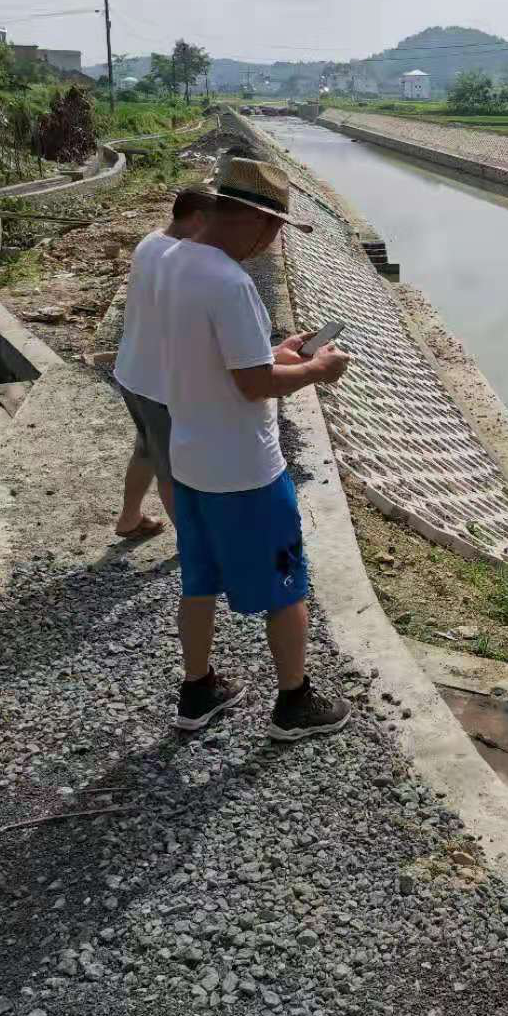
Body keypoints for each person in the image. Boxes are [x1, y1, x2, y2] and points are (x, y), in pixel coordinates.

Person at [154, 145, 352, 740]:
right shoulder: (230, 282)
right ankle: (294, 703)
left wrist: (277, 353)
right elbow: (253, 385)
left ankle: (198, 693)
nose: (271, 242)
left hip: (189, 459)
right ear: (256, 220)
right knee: (287, 586)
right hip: (245, 472)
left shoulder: (171, 261)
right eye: (273, 228)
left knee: (198, 579)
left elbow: (226, 362)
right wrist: (317, 369)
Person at [113, 187, 214, 540]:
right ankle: (192, 546)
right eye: (211, 223)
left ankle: (129, 519)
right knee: (173, 469)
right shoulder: (177, 257)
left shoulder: (151, 241)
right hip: (157, 383)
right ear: (198, 218)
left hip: (131, 371)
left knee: (147, 447)